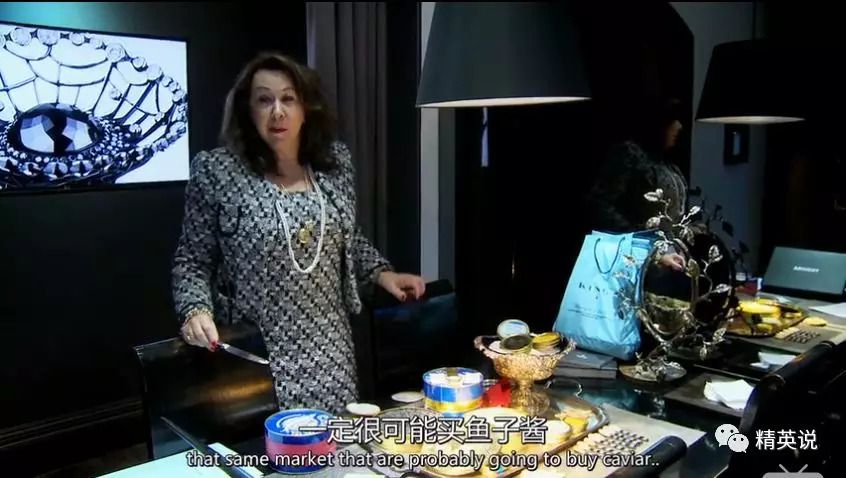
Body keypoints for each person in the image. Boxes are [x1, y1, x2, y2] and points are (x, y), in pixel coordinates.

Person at [171, 52, 426, 415]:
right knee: (274, 448)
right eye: (264, 100)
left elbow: (347, 238)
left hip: (330, 350)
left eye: (288, 99)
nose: (277, 111)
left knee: (336, 445)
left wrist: (382, 273)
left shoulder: (334, 165)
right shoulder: (217, 172)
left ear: (306, 108)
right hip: (257, 356)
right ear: (248, 110)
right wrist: (194, 310)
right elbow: (192, 260)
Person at [585, 97, 688, 272]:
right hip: (635, 259)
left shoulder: (666, 162)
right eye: (673, 120)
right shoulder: (630, 154)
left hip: (670, 257)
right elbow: (599, 204)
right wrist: (643, 246)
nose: (678, 126)